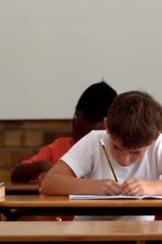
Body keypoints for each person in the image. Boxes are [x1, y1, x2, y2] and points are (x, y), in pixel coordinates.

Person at [41, 90, 162, 221]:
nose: (124, 159)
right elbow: (49, 183)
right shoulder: (94, 141)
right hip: (87, 236)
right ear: (107, 126)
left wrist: (150, 187)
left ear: (155, 138)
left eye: (135, 152)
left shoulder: (158, 145)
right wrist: (95, 187)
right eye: (116, 147)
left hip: (140, 236)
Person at [11, 81, 117, 183]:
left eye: (90, 138)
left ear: (107, 129)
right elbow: (16, 175)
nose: (83, 144)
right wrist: (42, 165)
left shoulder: (118, 154)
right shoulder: (60, 147)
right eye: (79, 135)